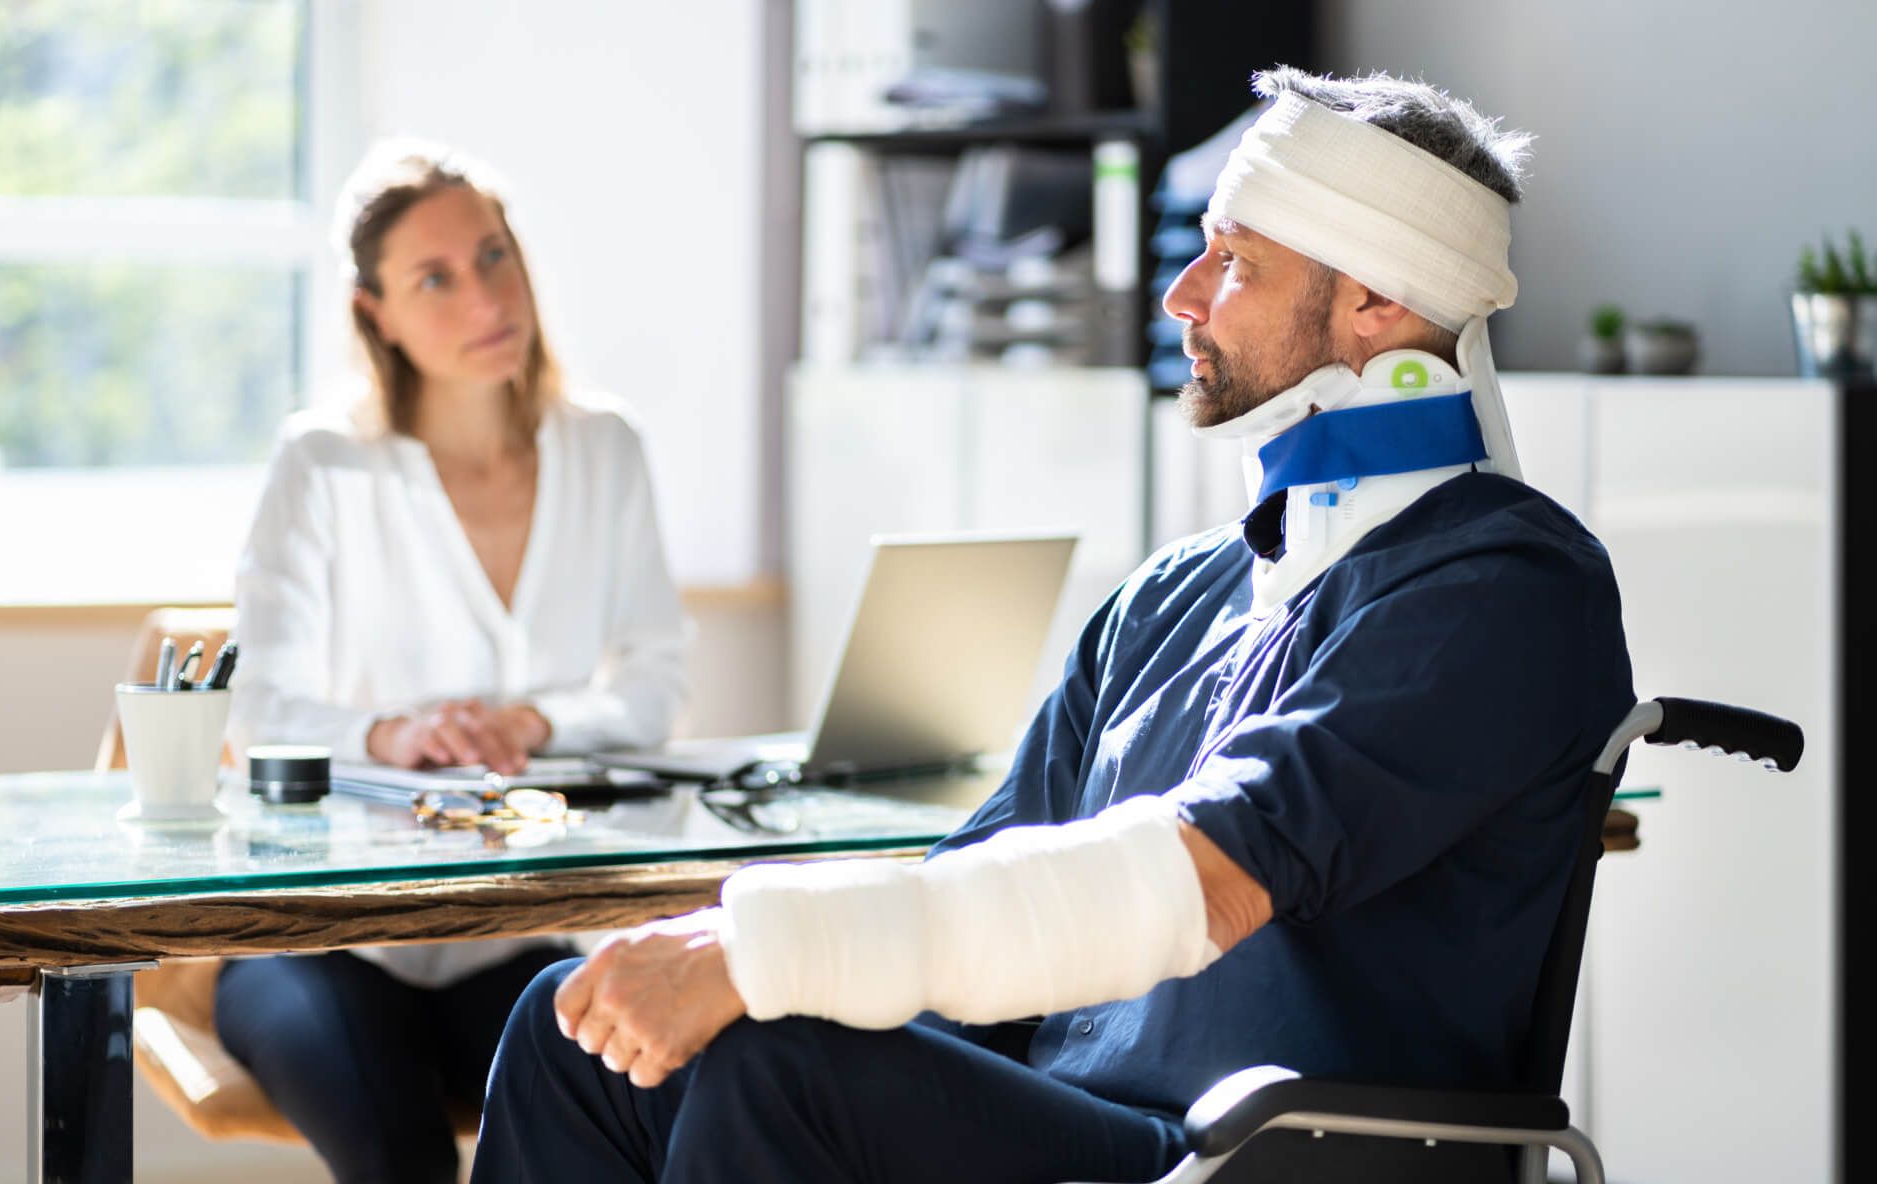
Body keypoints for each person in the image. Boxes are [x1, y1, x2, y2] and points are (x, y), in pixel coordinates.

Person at [472, 67, 1635, 1184]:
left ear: (1377, 300)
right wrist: (738, 972)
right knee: (575, 1032)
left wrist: (764, 951)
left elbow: (1209, 877)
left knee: (777, 1069)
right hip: (1070, 1121)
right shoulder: (1170, 596)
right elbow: (979, 884)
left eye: (1233, 261)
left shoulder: (1505, 588)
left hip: (1266, 1148)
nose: (1180, 296)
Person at [217, 140, 689, 1184]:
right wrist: (394, 733)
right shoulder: (323, 463)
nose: (484, 296)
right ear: (375, 313)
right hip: (325, 941)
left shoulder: (605, 447)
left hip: (522, 932)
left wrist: (535, 723)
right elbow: (257, 710)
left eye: (492, 255)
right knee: (403, 1158)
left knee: (653, 1102)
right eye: (434, 277)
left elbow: (656, 682)